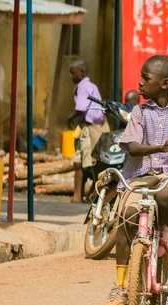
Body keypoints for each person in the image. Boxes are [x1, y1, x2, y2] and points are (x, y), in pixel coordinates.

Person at [101, 55, 168, 305]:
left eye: (145, 78)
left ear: (164, 83)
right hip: (139, 176)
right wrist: (161, 146)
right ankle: (120, 286)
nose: (139, 82)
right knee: (127, 216)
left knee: (163, 196)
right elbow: (135, 148)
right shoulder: (139, 112)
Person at [67, 59, 110, 203]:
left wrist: (70, 119)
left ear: (82, 72)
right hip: (94, 126)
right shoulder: (90, 86)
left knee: (86, 162)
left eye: (73, 73)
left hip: (92, 127)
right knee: (90, 160)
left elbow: (80, 109)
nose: (71, 76)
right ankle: (86, 194)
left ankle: (84, 195)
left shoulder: (84, 87)